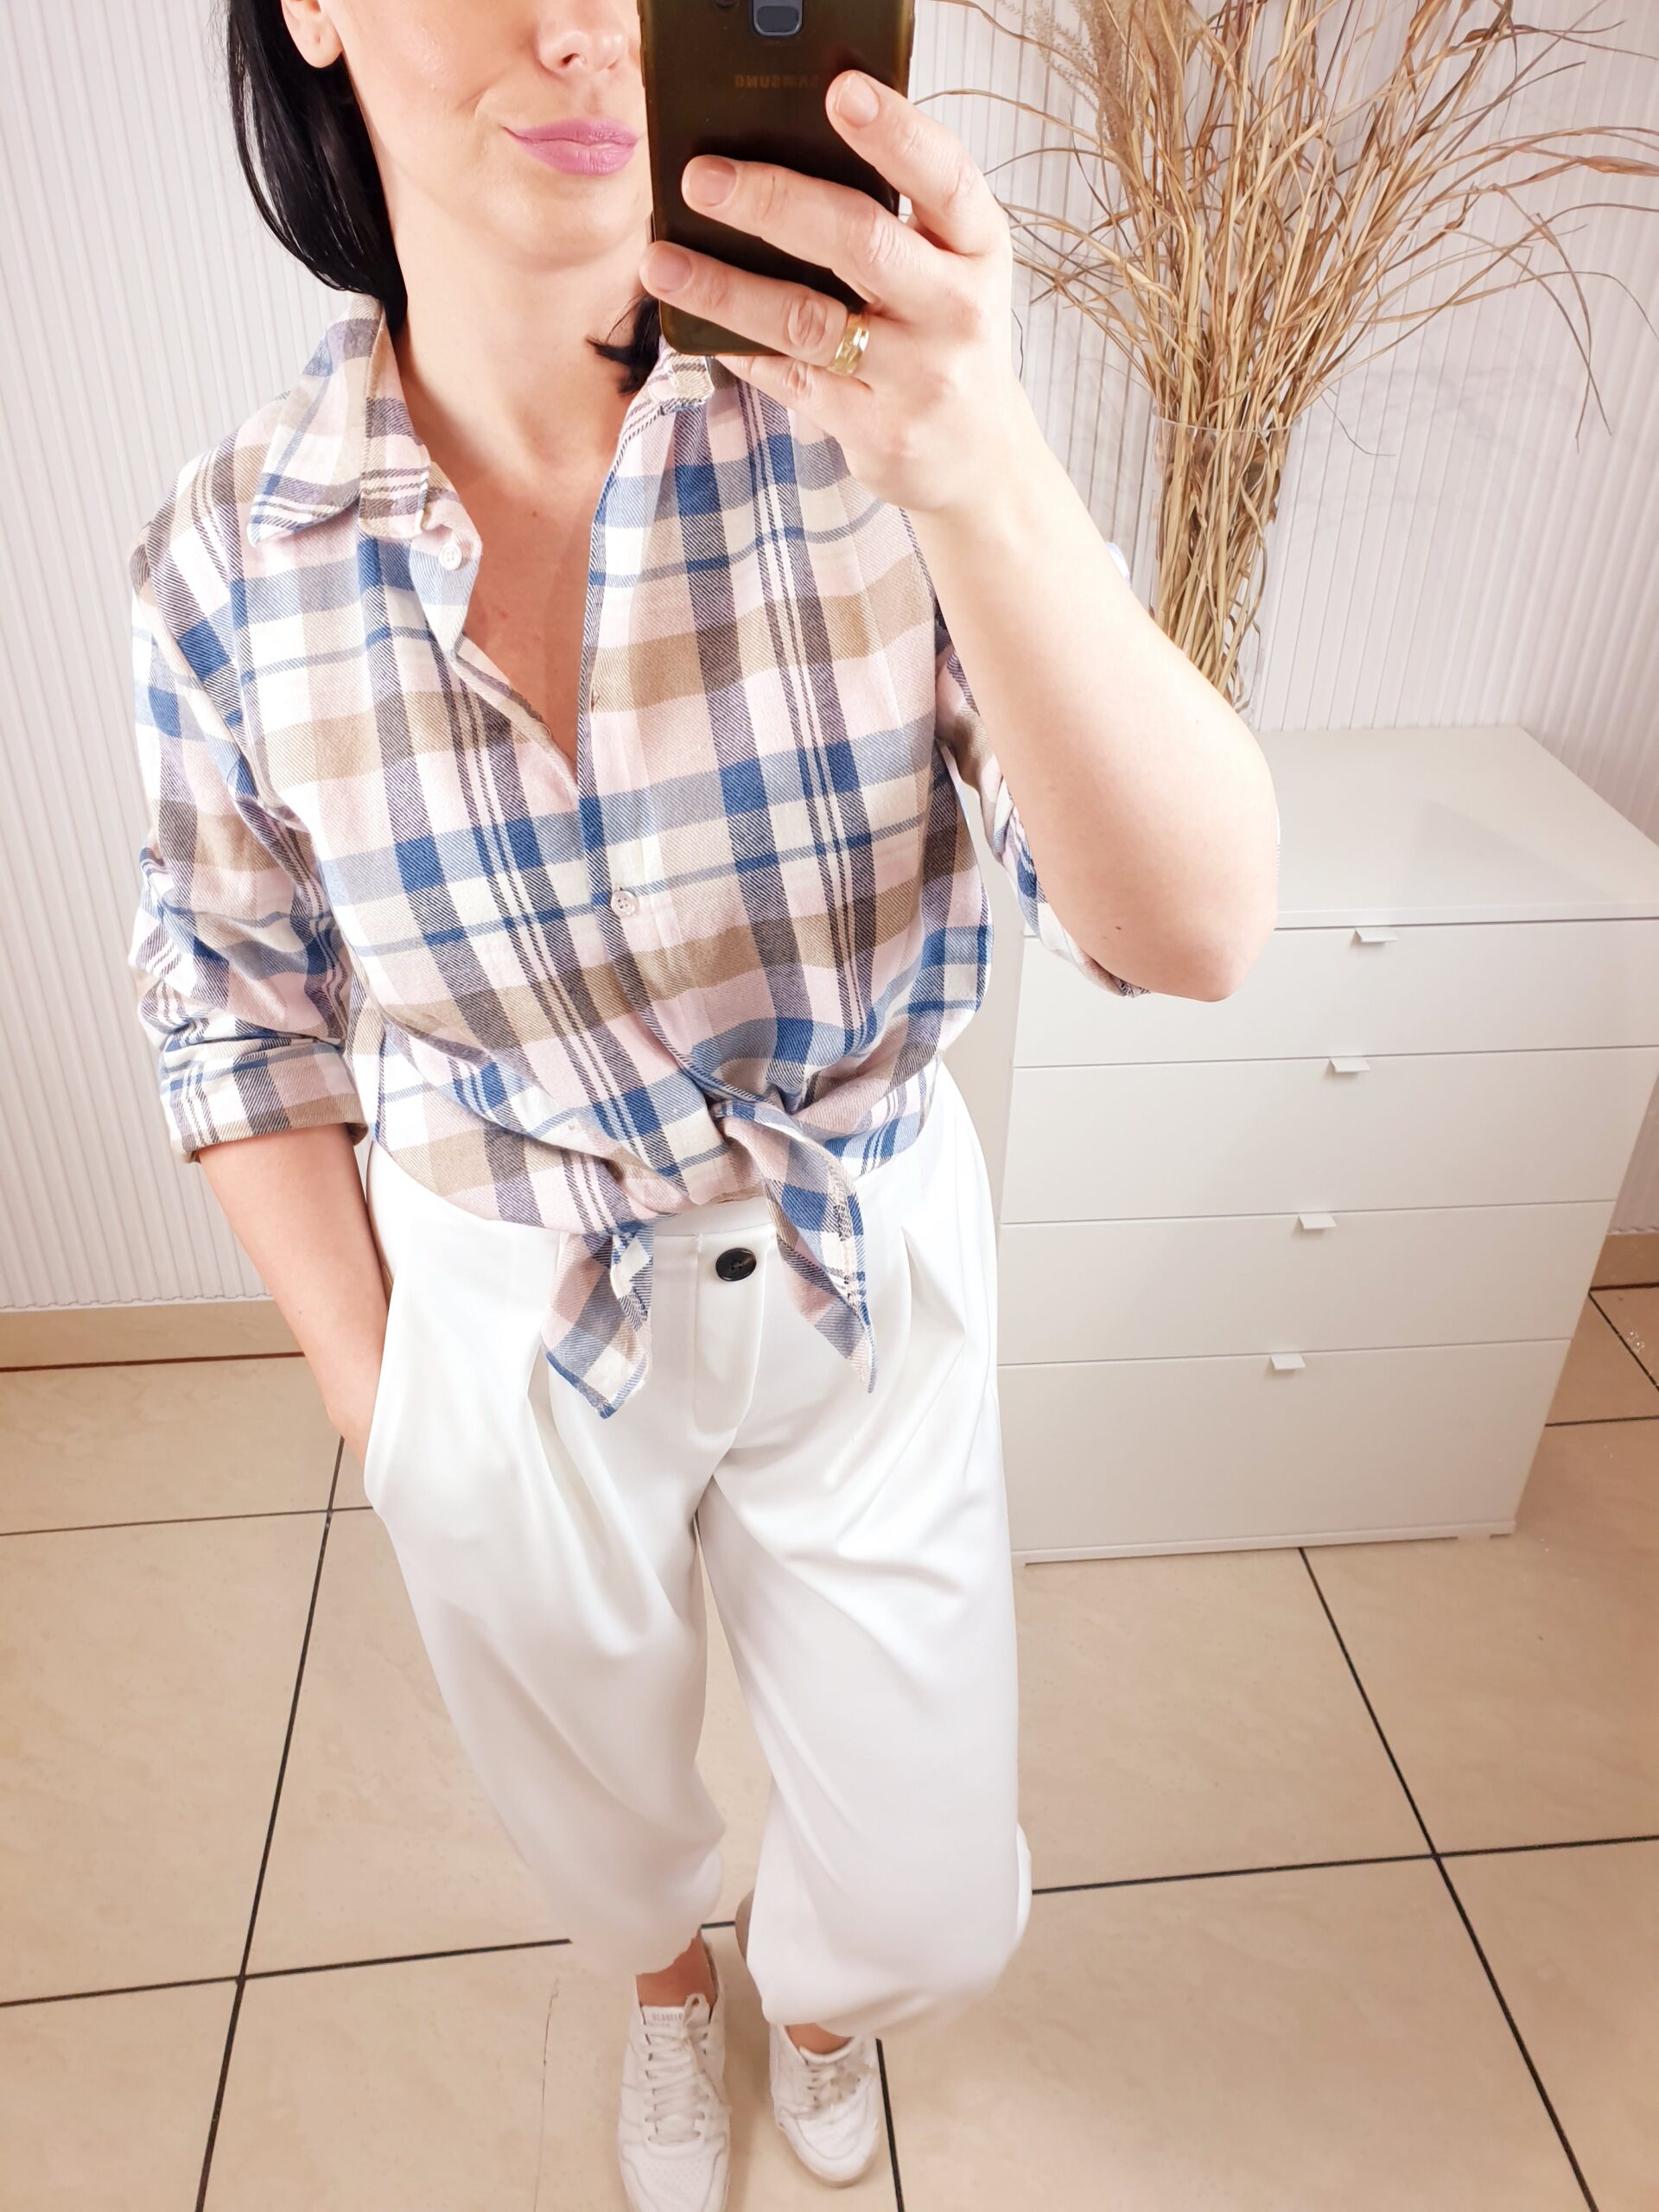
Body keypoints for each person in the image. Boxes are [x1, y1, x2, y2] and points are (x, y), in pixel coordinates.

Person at [123, 3, 1280, 2204]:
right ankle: (670, 1981)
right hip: (503, 1288)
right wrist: (392, 1406)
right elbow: (230, 998)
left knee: (925, 1887)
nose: (582, 26)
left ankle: (826, 1995)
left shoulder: (873, 430)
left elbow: (1195, 927)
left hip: (855, 1246)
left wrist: (986, 468)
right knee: (587, 1790)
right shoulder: (230, 554)